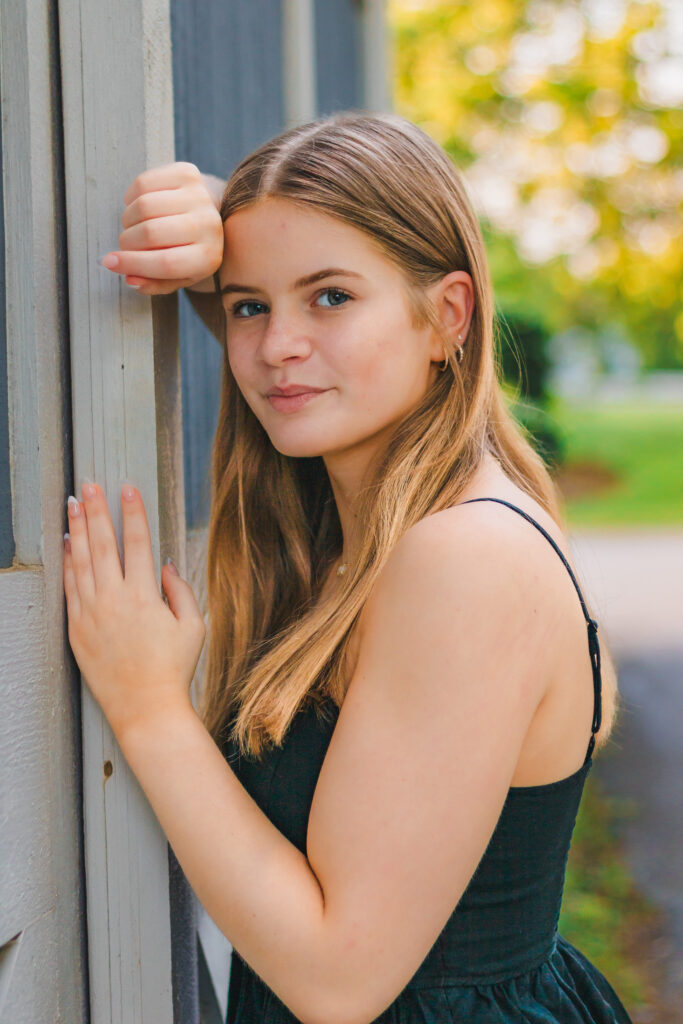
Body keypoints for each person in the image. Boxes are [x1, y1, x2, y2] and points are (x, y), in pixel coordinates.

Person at [65, 112, 633, 1023]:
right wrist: (223, 229)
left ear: (447, 316)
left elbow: (339, 978)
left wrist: (146, 708)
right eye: (249, 305)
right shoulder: (384, 526)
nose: (275, 345)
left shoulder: (464, 555)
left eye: (330, 297)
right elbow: (295, 338)